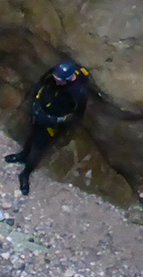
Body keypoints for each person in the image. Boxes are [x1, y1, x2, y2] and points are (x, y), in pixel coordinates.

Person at [6, 60, 91, 195]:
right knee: (32, 134)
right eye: (55, 78)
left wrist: (55, 121)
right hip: (42, 110)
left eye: (59, 80)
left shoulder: (78, 92)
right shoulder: (55, 75)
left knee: (38, 146)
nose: (56, 81)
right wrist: (35, 103)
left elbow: (76, 116)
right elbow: (42, 83)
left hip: (53, 121)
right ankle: (22, 155)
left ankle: (26, 172)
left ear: (68, 79)